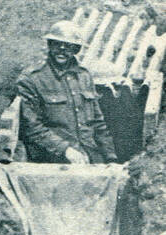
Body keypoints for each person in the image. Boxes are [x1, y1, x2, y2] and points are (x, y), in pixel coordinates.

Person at [17, 20, 118, 165]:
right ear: (49, 45)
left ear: (76, 49)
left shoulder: (84, 76)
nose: (62, 50)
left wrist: (110, 157)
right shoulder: (32, 79)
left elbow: (98, 123)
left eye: (68, 46)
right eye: (57, 44)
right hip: (52, 158)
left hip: (89, 155)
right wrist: (66, 150)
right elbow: (32, 127)